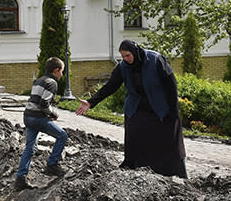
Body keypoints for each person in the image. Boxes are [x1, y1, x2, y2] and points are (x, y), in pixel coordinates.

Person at [76, 39, 187, 178]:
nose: (125, 59)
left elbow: (171, 86)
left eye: (128, 55)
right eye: (122, 57)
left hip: (159, 107)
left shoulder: (156, 60)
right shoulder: (123, 66)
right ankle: (135, 169)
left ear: (135, 51)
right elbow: (111, 86)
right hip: (137, 107)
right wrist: (91, 102)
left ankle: (173, 173)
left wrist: (174, 111)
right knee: (135, 133)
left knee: (168, 139)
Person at [15, 57, 68, 190]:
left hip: (28, 116)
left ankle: (20, 178)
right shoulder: (52, 82)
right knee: (62, 136)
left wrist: (47, 114)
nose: (62, 74)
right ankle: (52, 164)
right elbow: (44, 103)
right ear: (56, 70)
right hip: (38, 118)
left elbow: (36, 100)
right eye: (62, 71)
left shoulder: (39, 80)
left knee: (30, 148)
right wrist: (52, 114)